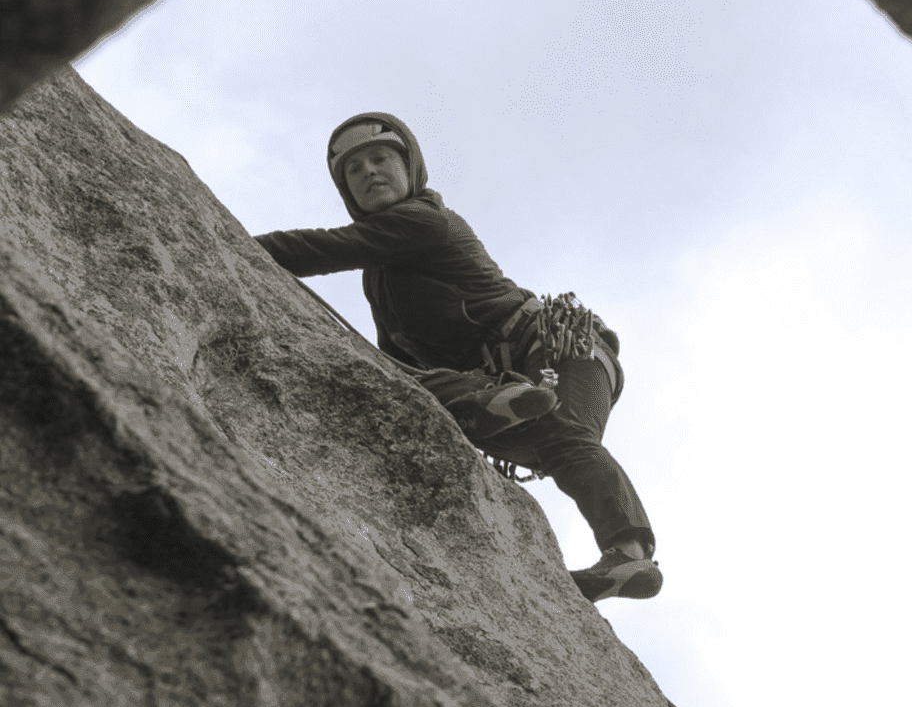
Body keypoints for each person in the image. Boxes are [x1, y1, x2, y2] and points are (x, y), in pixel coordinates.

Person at [253, 112, 662, 602]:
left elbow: (323, 248)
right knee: (400, 385)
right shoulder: (381, 282)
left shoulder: (426, 221)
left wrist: (230, 237)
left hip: (560, 349)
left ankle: (629, 552)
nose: (369, 173)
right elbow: (397, 367)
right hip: (500, 382)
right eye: (354, 170)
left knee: (567, 435)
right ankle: (491, 401)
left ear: (411, 168)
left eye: (381, 158)